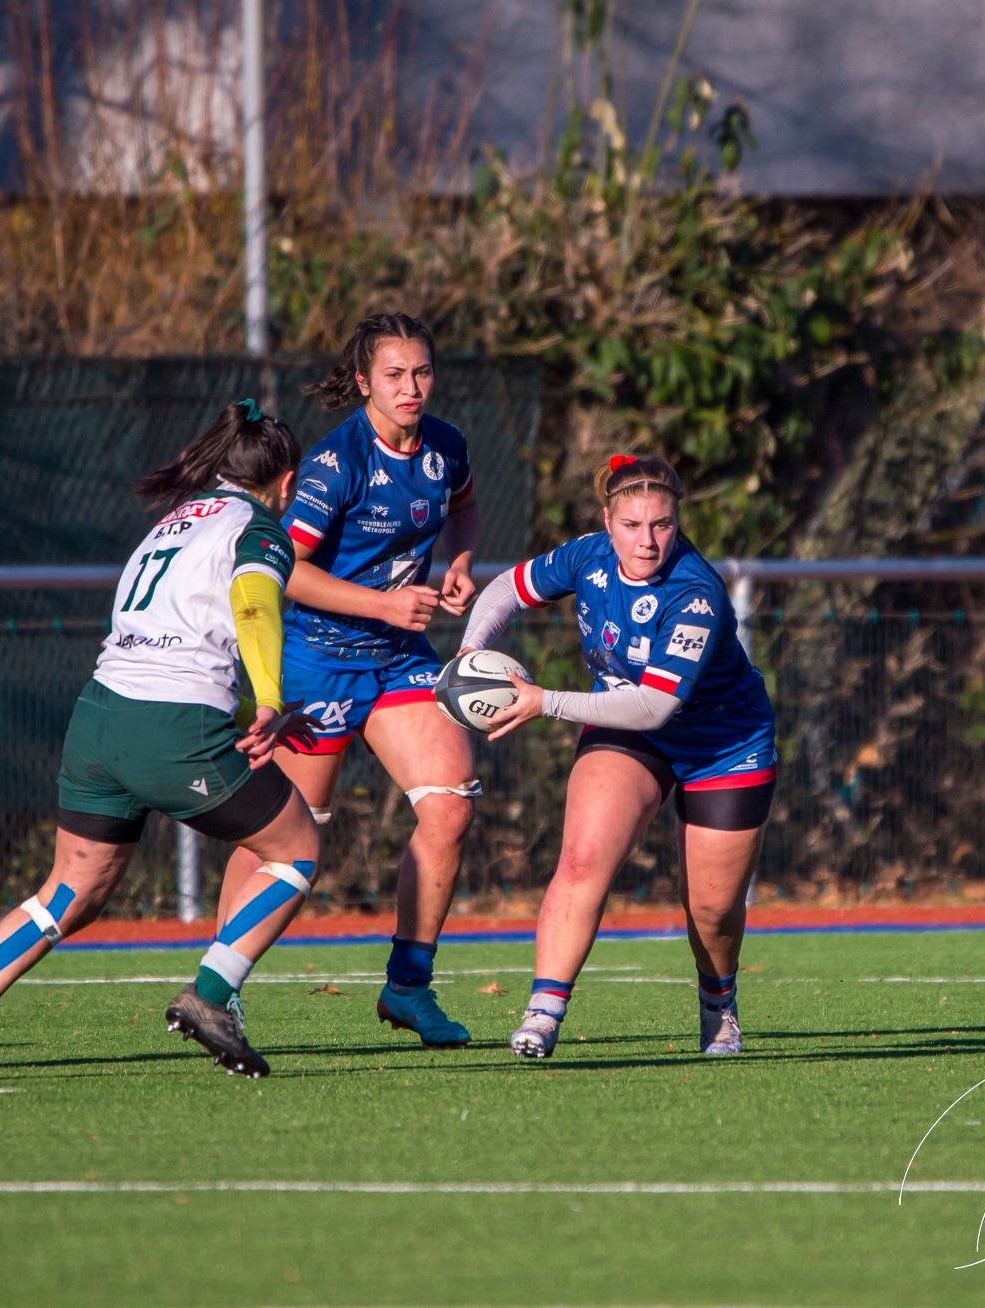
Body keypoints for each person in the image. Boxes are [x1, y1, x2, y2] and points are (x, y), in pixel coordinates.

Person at [0, 400, 321, 1080]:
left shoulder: (175, 522)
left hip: (99, 718)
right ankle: (211, 995)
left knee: (70, 892)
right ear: (288, 479)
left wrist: (255, 708)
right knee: (296, 850)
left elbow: (170, 639)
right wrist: (270, 699)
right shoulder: (261, 529)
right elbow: (251, 605)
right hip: (173, 726)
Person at [457, 454, 777, 1058]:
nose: (647, 541)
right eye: (632, 525)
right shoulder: (587, 555)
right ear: (608, 521)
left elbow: (654, 706)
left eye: (662, 524)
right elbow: (506, 588)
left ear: (678, 522)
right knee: (582, 859)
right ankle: (543, 1013)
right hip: (629, 730)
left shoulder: (696, 593)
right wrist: (471, 654)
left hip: (724, 741)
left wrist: (546, 702)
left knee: (712, 908)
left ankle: (718, 1003)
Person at [226, 311, 482, 1048]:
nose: (411, 387)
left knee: (451, 807)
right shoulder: (336, 465)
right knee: (280, 834)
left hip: (399, 657)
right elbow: (286, 571)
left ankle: (409, 988)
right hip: (318, 661)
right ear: (365, 381)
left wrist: (461, 563)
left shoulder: (446, 446)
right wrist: (384, 604)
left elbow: (464, 507)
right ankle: (220, 989)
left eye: (422, 372)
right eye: (395, 375)